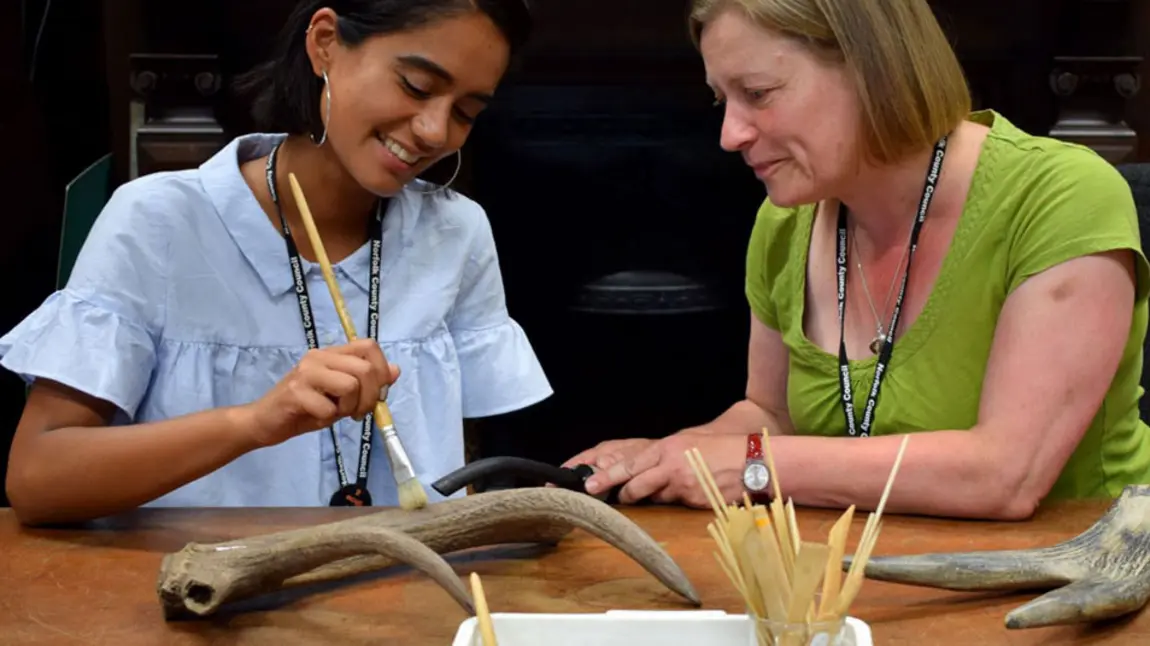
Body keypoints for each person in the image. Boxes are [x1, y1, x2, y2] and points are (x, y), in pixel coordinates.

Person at [563, 0, 1150, 521]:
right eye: (723, 100)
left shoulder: (1063, 197)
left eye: (758, 93)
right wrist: (662, 458)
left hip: (1083, 596)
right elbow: (771, 413)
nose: (729, 133)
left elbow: (1005, 474)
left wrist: (751, 465)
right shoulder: (785, 221)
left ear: (872, 68)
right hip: (870, 584)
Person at [1, 0, 552, 526]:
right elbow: (36, 479)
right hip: (195, 606)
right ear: (325, 44)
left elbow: (475, 474)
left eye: (465, 112)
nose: (435, 131)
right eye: (417, 86)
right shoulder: (159, 221)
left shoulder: (456, 233)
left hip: (396, 602)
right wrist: (254, 423)